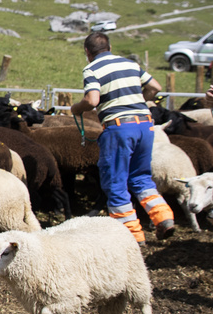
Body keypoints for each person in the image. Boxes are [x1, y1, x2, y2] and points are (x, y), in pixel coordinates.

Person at [71, 31, 175, 244]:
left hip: (119, 128)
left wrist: (76, 108)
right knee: (140, 177)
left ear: (87, 52)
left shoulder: (92, 68)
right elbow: (155, 87)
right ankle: (164, 217)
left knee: (115, 182)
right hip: (145, 125)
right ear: (109, 47)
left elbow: (92, 100)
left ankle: (131, 235)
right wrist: (141, 100)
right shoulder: (131, 64)